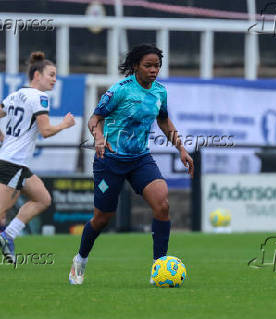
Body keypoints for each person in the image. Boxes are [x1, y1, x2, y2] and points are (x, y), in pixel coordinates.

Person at [69, 44, 194, 285]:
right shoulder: (120, 91)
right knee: (102, 218)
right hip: (110, 160)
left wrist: (181, 147)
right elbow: (95, 119)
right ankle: (80, 259)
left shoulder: (159, 92)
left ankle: (159, 267)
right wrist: (98, 138)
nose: (154, 70)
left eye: (157, 66)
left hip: (139, 159)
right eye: (148, 65)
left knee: (162, 204)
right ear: (136, 66)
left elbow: (164, 122)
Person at [0, 51, 75, 271]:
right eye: (51, 75)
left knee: (43, 198)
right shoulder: (39, 97)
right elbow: (45, 131)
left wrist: (3, 140)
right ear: (37, 75)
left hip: (12, 162)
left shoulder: (16, 95)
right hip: (13, 163)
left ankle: (8, 235)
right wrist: (64, 125)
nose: (55, 79)